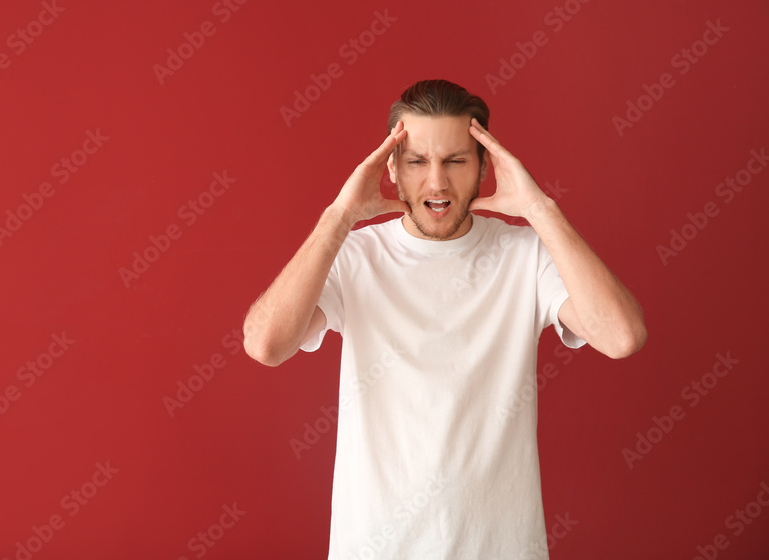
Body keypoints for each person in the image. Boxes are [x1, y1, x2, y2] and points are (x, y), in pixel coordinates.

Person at [242, 79, 646, 558]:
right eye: (416, 161)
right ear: (390, 168)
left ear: (483, 167)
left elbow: (622, 336)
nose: (436, 182)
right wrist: (339, 216)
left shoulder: (525, 255)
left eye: (455, 160)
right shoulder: (351, 256)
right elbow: (266, 345)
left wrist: (540, 210)